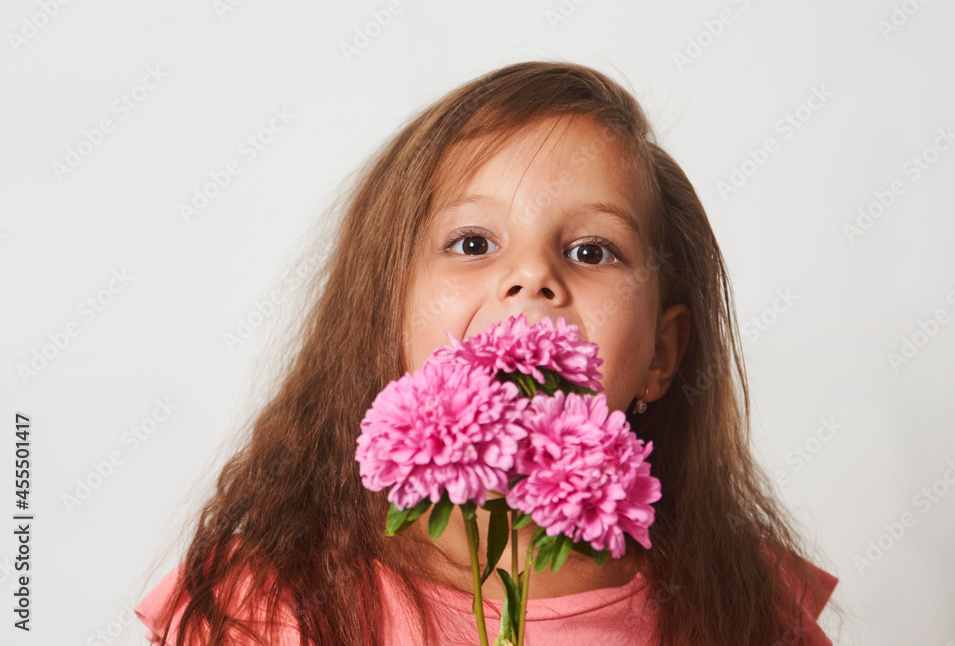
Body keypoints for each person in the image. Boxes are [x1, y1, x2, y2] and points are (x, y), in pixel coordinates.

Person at [133, 60, 843, 645]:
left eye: (591, 250)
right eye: (473, 243)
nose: (532, 277)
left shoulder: (748, 612)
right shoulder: (264, 609)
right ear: (385, 316)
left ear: (663, 353)